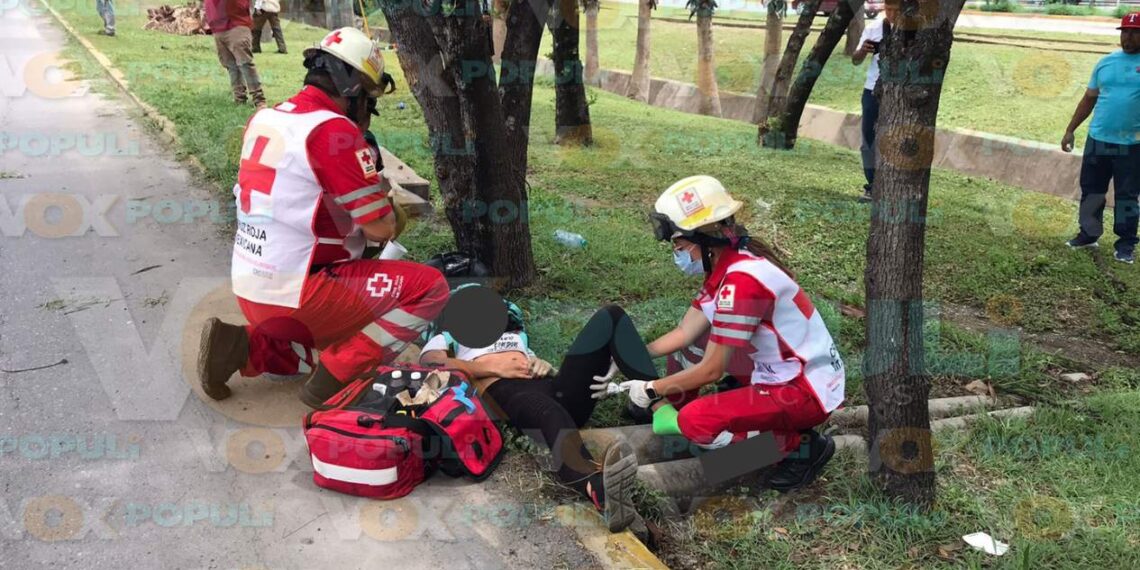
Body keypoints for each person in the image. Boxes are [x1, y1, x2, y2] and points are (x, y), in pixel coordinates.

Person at [198, 27, 447, 409]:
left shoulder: (266, 117)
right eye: (369, 101)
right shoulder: (334, 132)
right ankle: (337, 376)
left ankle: (239, 347)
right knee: (429, 288)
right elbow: (380, 228)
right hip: (299, 293)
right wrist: (387, 206)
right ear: (354, 90)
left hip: (253, 284)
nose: (368, 113)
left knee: (334, 338)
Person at [596, 175, 846, 492]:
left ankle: (799, 447)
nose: (677, 253)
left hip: (803, 390)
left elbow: (712, 370)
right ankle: (680, 410)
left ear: (702, 239)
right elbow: (685, 332)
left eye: (679, 245)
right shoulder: (730, 266)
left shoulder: (742, 282)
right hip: (789, 370)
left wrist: (651, 389)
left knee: (697, 424)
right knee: (697, 341)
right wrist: (627, 359)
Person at [419, 299, 653, 532]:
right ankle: (596, 488)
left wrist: (544, 366)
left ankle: (657, 400)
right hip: (506, 391)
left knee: (610, 315)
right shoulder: (451, 336)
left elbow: (539, 366)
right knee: (548, 411)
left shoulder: (517, 336)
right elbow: (431, 362)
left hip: (550, 386)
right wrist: (493, 368)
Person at [1061, 13, 1140, 265]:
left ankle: (1125, 244)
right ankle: (1088, 234)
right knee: (1092, 190)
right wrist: (1070, 129)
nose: (1128, 37)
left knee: (1127, 196)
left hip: (1132, 145)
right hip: (1099, 139)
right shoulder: (1105, 63)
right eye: (1125, 31)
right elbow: (1089, 98)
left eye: (1135, 32)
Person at [851, 3, 899, 203]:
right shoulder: (874, 28)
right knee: (868, 140)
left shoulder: (914, 30)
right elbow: (855, 60)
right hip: (872, 90)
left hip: (899, 93)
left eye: (896, 9)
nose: (892, 13)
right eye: (888, 8)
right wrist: (864, 50)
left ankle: (893, 187)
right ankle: (872, 185)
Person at [204, 0, 266, 109]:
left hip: (236, 25)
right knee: (231, 66)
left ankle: (259, 100)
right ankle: (239, 98)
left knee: (245, 64)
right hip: (218, 28)